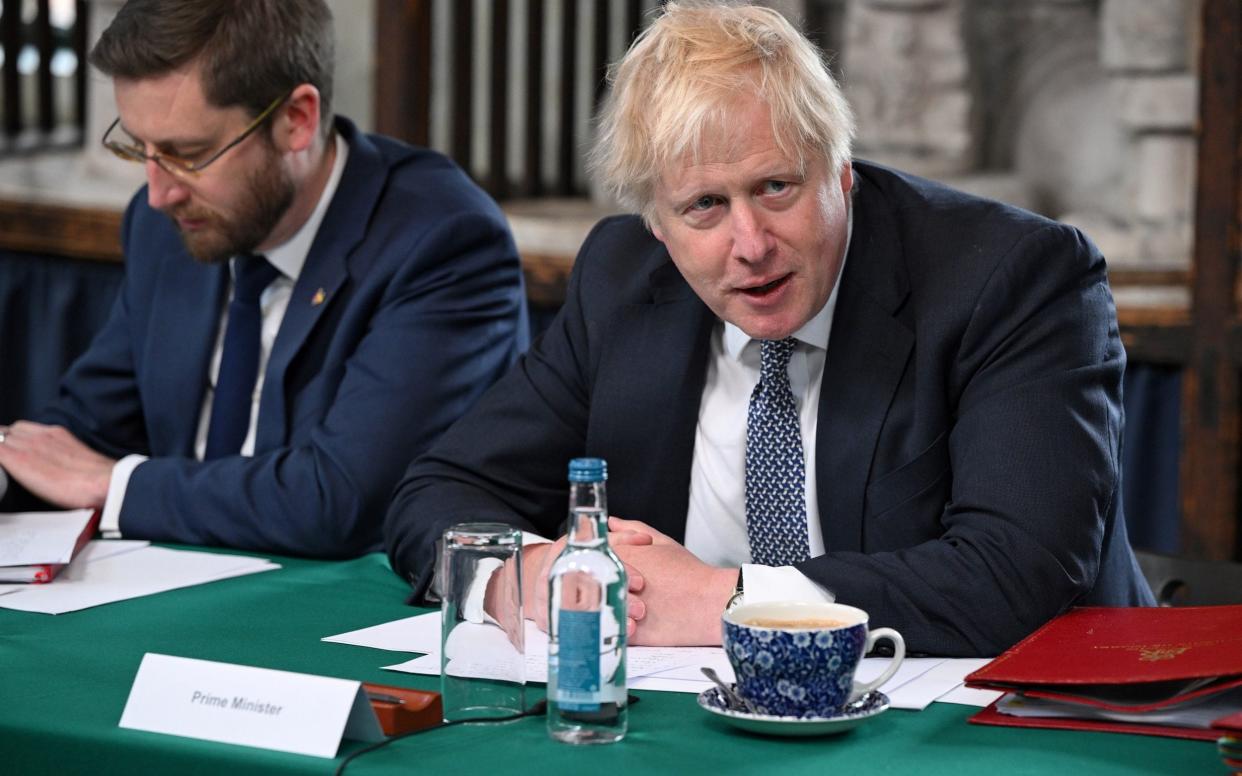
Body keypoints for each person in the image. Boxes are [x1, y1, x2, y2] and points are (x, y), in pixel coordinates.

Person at [383, 1, 1153, 656]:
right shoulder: (621, 280)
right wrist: (522, 578)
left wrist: (724, 600)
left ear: (841, 169)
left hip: (1012, 729)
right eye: (704, 208)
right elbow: (441, 490)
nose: (749, 243)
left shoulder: (1013, 277)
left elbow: (1017, 573)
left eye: (776, 187)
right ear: (657, 224)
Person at [0, 0, 528, 558]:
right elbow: (86, 432)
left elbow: (340, 500)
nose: (158, 192)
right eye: (141, 149)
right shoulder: (166, 226)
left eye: (188, 155)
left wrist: (116, 486)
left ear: (296, 119)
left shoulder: (440, 242)